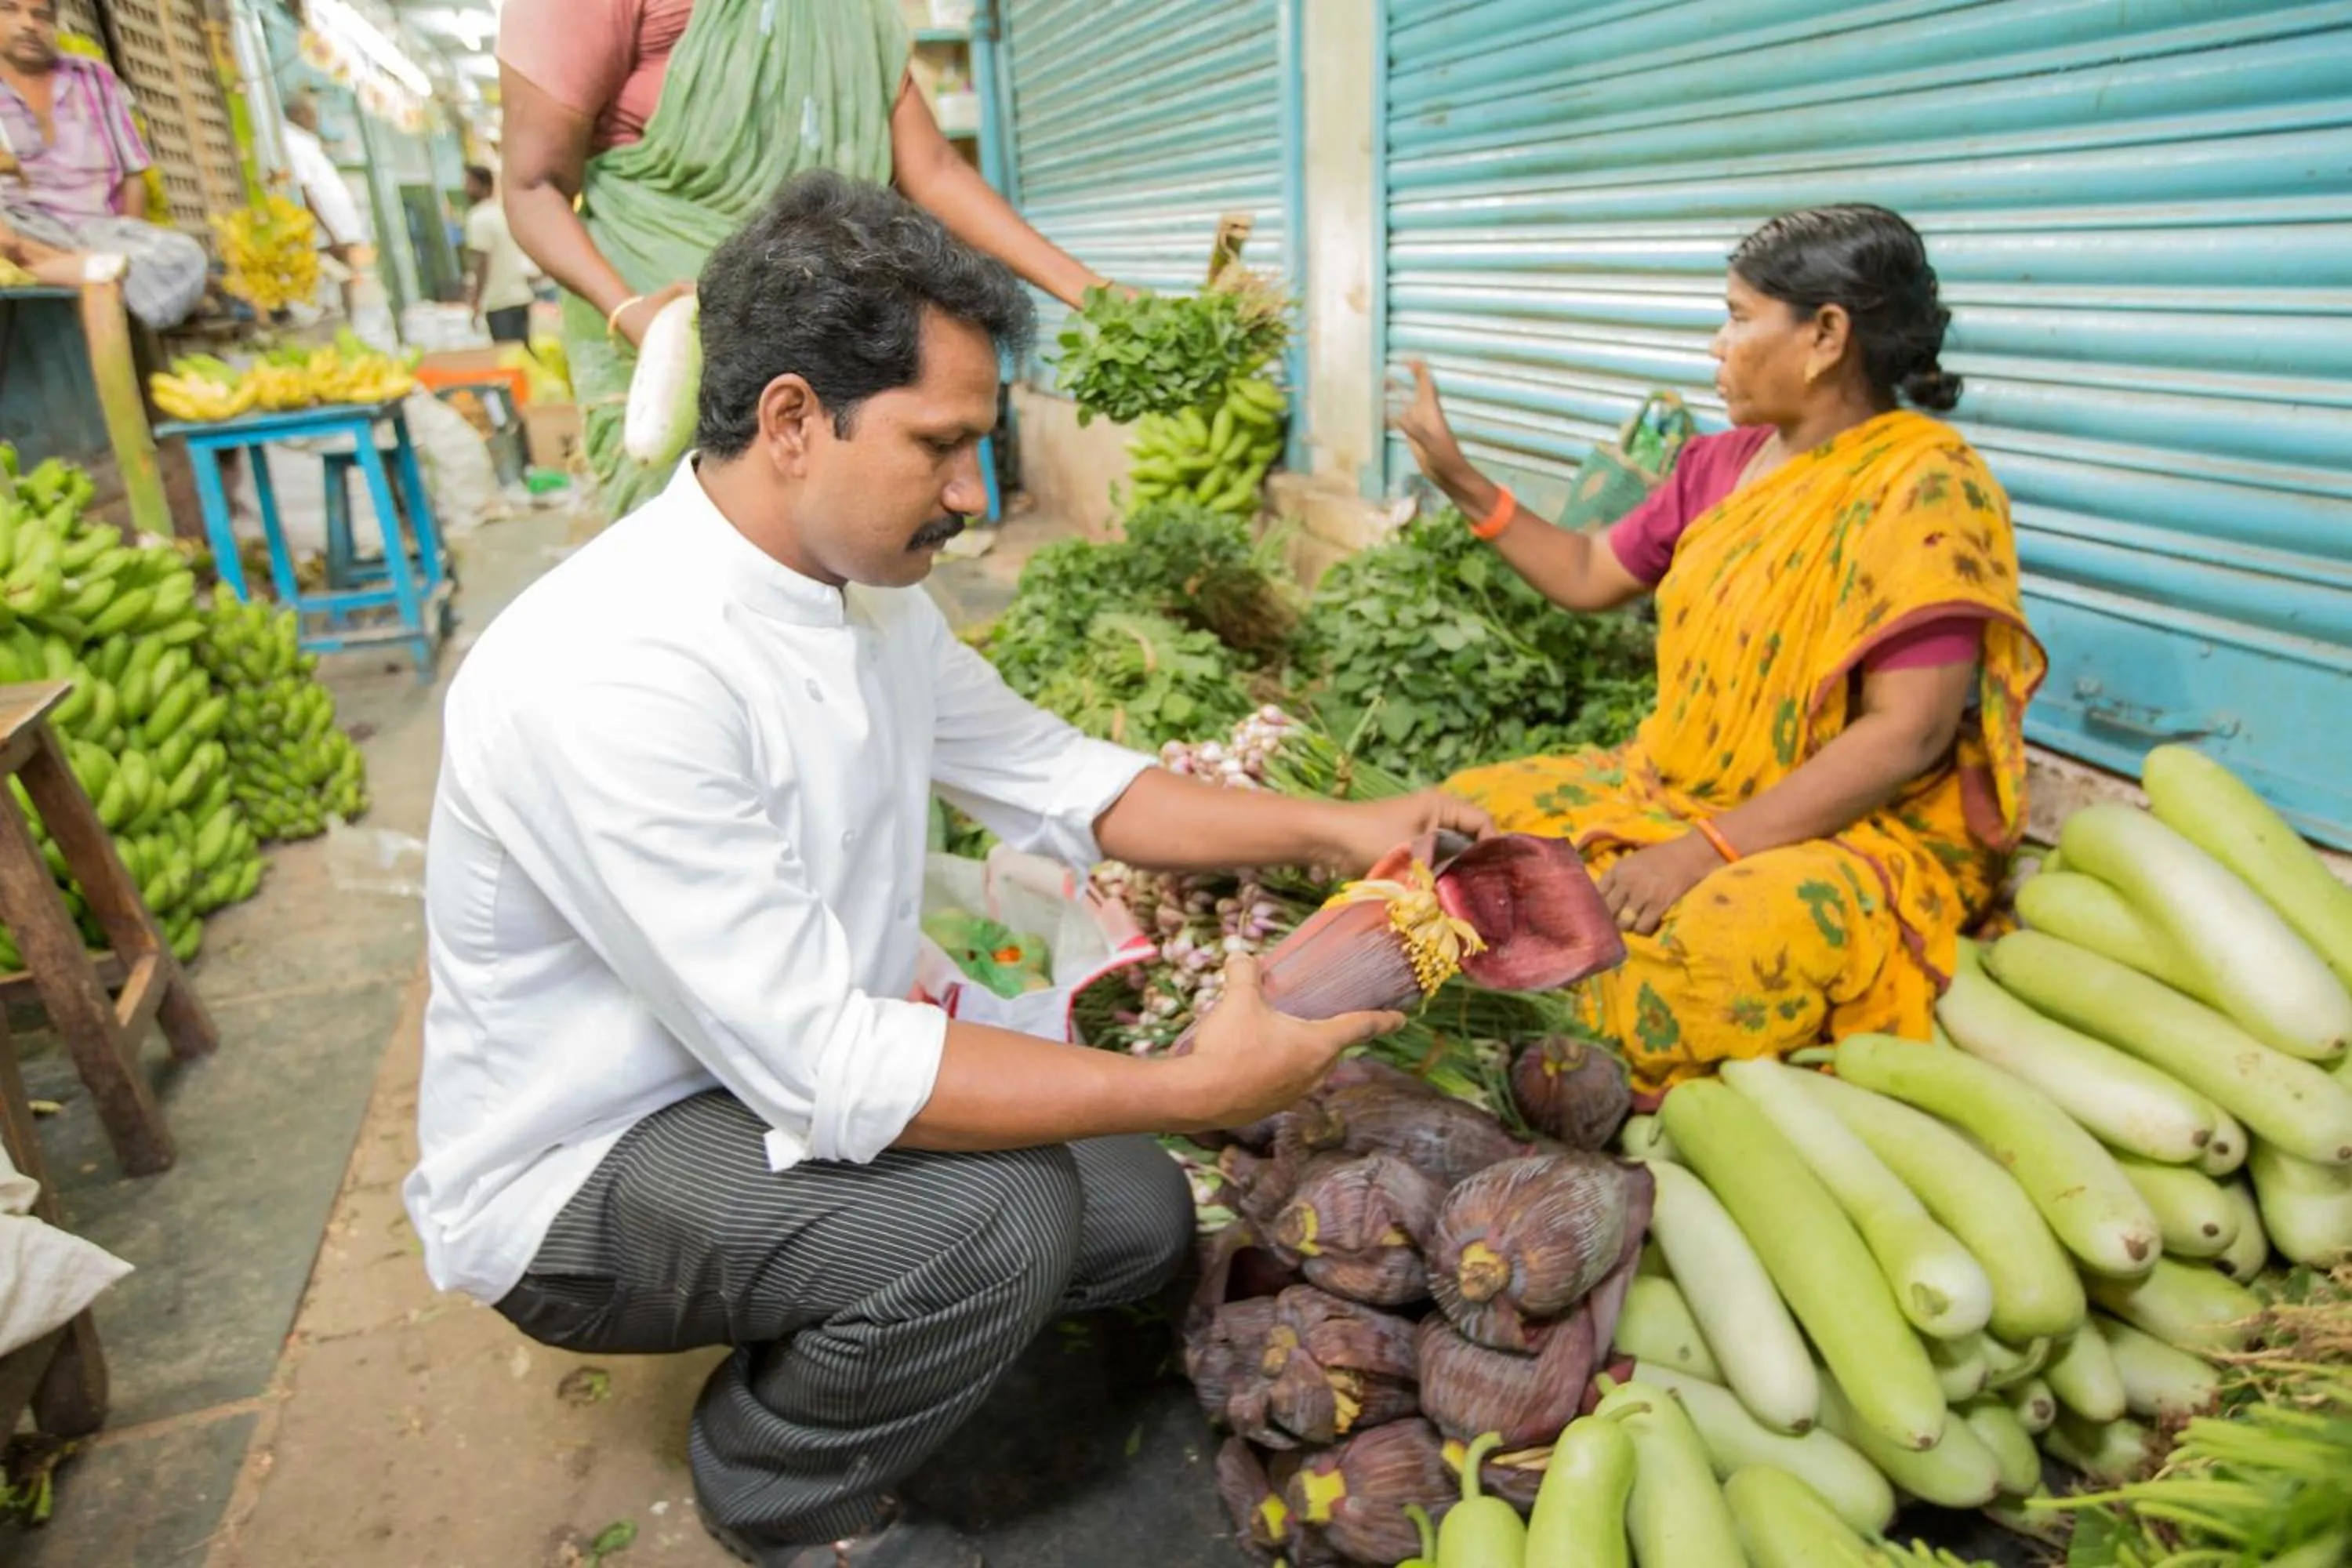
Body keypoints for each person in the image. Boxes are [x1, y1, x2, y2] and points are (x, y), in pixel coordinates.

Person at [404, 171, 1485, 1568]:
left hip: (756, 1074)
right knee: (999, 1213)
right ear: (793, 420)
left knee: (1139, 1216)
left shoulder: (856, 598)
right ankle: (778, 1485)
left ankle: (850, 1300)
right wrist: (1194, 1085)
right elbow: (828, 1064)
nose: (971, 497)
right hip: (590, 1163)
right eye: (941, 445)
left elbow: (1068, 784)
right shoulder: (613, 671)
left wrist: (1344, 826)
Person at [1391, 204, 2047, 1094]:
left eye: (1738, 317)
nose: (1716, 345)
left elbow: (1910, 735)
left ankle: (1557, 1071)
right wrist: (1459, 478)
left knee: (1700, 954)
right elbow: (1587, 571)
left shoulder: (1927, 485)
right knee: (1451, 826)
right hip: (1666, 786)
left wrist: (1705, 850)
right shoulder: (1719, 465)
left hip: (1837, 826)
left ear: (1824, 335)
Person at [495, 0, 1112, 517]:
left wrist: (1096, 296)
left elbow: (935, 168)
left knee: (847, 566)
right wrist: (637, 318)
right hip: (672, 328)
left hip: (832, 333)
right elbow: (531, 187)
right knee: (708, 575)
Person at [0, 0, 205, 328]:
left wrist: (129, 232)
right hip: (22, 230)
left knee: (186, 258)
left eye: (40, 15)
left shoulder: (93, 78)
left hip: (97, 231)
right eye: (10, 10)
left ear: (53, 22)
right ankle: (92, 274)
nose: (28, 24)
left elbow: (133, 174)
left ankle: (60, 271)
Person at [279, 96, 368, 318]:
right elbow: (305, 192)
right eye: (312, 115)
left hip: (337, 228)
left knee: (343, 278)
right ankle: (343, 324)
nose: (316, 120)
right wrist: (330, 232)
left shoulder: (308, 143)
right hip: (327, 231)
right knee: (335, 281)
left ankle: (347, 324)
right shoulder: (293, 142)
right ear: (298, 115)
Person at [459, 163, 533, 343]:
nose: (465, 188)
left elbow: (481, 261)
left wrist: (476, 300)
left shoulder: (478, 218)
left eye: (469, 183)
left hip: (499, 302)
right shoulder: (502, 213)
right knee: (524, 357)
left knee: (508, 359)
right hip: (520, 297)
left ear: (483, 185)